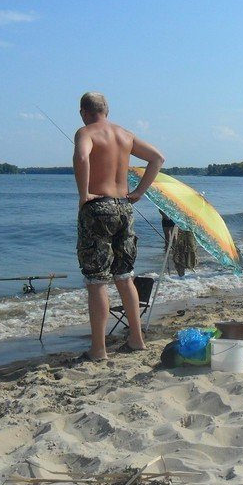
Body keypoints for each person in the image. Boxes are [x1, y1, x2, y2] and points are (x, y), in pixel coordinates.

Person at [73, 92, 165, 362]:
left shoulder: (85, 132)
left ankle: (99, 349)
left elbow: (81, 158)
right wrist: (139, 192)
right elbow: (158, 158)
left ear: (83, 111)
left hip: (98, 207)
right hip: (124, 207)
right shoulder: (125, 135)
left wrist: (83, 195)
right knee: (125, 275)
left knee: (96, 280)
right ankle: (136, 338)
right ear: (107, 110)